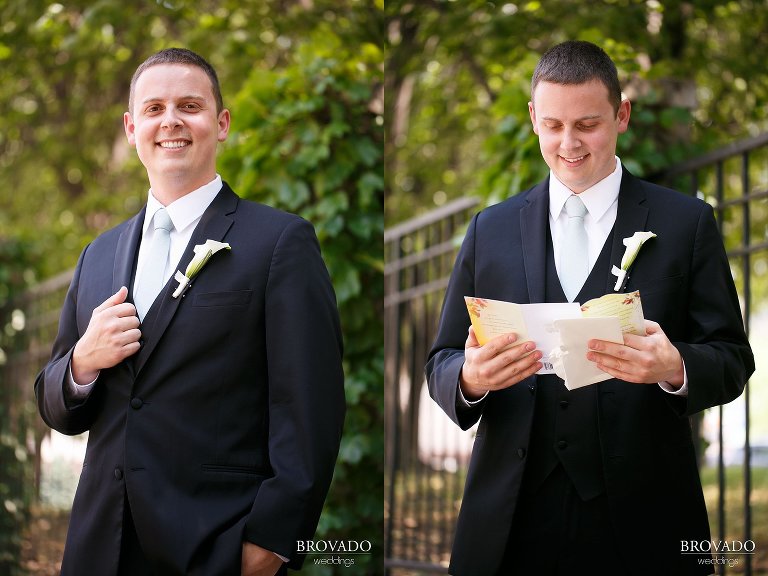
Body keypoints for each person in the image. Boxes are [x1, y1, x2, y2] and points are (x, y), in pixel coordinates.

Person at [426, 40, 754, 576]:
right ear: (532, 118)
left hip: (645, 519)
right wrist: (469, 377)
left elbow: (733, 358)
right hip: (510, 522)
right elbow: (440, 360)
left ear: (621, 115)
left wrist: (675, 367)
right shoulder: (490, 229)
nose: (568, 143)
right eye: (553, 125)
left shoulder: (685, 223)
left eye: (587, 125)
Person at [35, 48, 345, 576]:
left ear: (221, 124)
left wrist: (271, 544)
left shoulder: (279, 241)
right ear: (131, 129)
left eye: (190, 106)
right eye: (154, 109)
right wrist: (82, 363)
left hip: (215, 543)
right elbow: (55, 406)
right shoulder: (98, 255)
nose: (171, 120)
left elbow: (311, 407)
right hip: (99, 546)